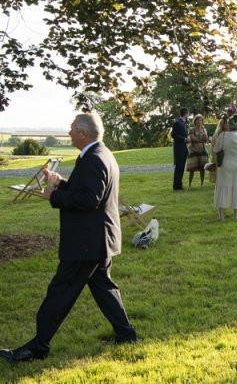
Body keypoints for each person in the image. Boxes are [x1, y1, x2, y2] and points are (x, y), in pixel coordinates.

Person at [1, 113, 137, 363]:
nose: (69, 132)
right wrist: (60, 182)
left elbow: (88, 200)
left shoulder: (94, 159)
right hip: (99, 239)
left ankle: (37, 348)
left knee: (59, 292)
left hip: (86, 243)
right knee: (104, 288)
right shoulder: (101, 154)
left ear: (83, 134)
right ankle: (127, 335)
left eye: (73, 129)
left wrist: (52, 196)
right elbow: (84, 190)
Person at [213, 115, 237, 221]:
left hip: (224, 166)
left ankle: (221, 216)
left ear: (229, 125)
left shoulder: (222, 136)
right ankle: (236, 216)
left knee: (222, 188)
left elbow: (216, 150)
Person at [187, 114, 209, 187]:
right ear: (195, 121)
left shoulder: (204, 129)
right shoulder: (191, 129)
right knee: (192, 169)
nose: (199, 122)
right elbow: (192, 138)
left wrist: (202, 139)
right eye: (197, 120)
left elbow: (206, 139)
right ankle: (190, 184)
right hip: (193, 150)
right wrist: (201, 140)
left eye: (200, 120)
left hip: (202, 150)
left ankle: (202, 184)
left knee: (202, 168)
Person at [171, 107, 190, 190]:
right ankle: (176, 185)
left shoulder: (183, 123)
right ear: (185, 114)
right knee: (179, 167)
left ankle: (179, 184)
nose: (188, 115)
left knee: (181, 167)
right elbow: (173, 135)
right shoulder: (177, 123)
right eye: (188, 113)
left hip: (183, 147)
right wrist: (184, 139)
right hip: (179, 148)